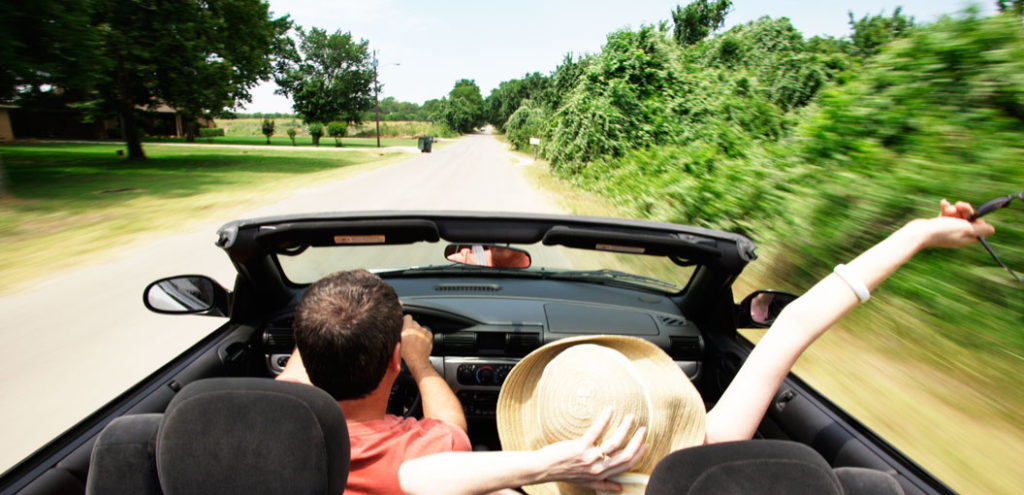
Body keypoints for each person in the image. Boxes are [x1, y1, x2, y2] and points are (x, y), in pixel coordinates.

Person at [398, 199, 996, 495]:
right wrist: (917, 234)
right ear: (662, 408)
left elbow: (420, 479)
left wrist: (547, 466)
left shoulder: (512, 485)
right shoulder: (705, 459)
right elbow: (794, 325)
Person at [274, 269, 470, 495]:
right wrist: (419, 362)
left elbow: (300, 363)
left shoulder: (273, 428)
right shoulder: (430, 457)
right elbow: (452, 426)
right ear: (396, 359)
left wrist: (334, 314)